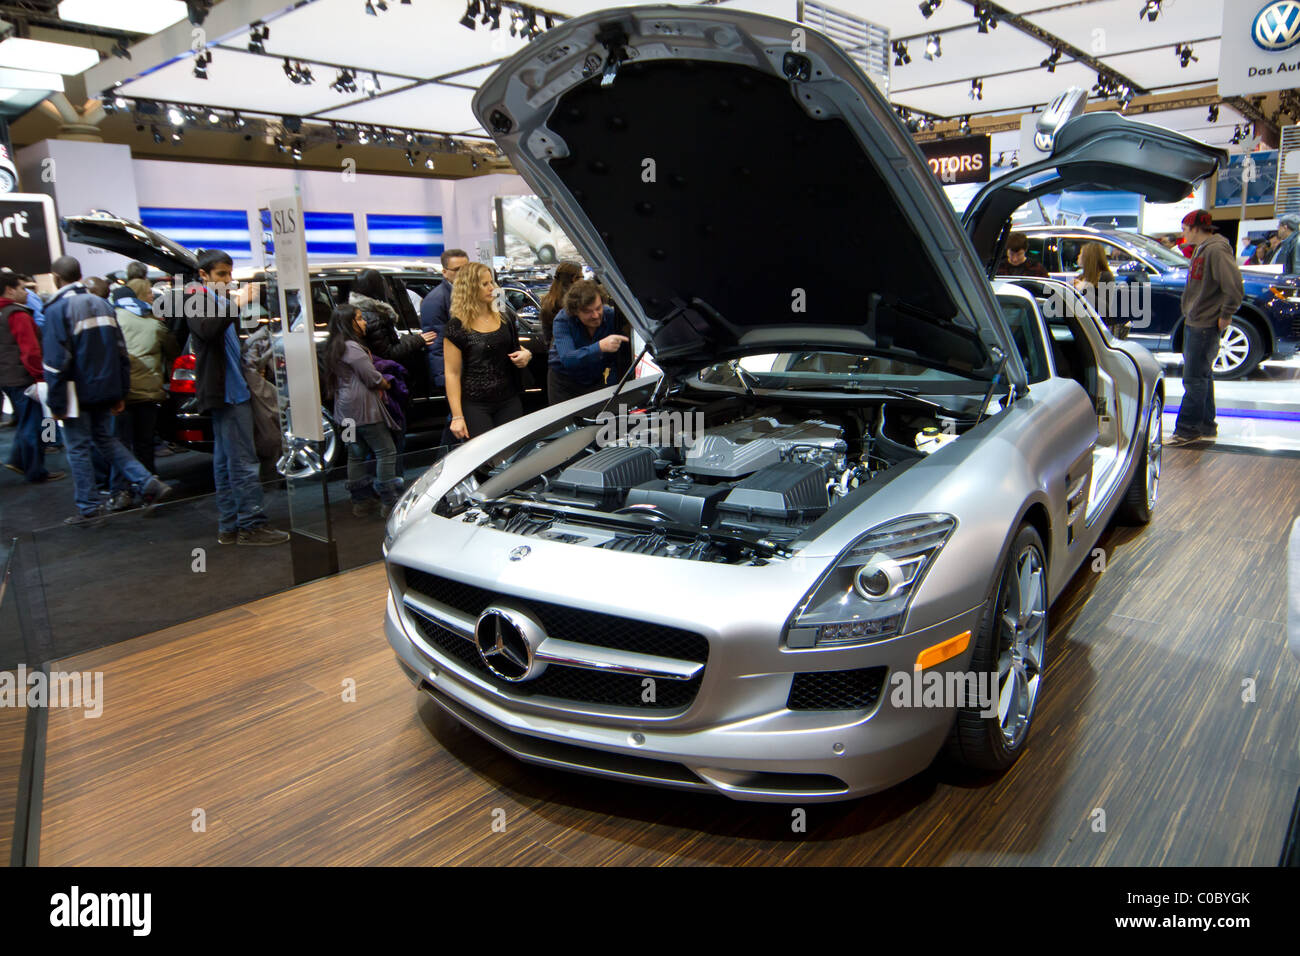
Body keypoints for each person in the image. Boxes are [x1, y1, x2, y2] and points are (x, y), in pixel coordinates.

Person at [41, 256, 171, 525]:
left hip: (75, 392)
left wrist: (56, 403)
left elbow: (56, 362)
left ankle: (89, 508)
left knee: (78, 447)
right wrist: (121, 391)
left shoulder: (57, 309)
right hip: (107, 388)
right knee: (106, 440)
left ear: (56, 277)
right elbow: (121, 351)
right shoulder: (102, 303)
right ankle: (147, 482)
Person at [186, 248, 289, 545]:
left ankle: (232, 523)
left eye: (229, 274)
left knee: (228, 461)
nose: (228, 280)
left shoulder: (212, 299)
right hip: (227, 395)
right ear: (203, 275)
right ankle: (250, 524)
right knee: (242, 462)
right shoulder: (196, 297)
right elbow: (206, 330)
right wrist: (238, 302)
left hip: (231, 391)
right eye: (221, 274)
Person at [1167, 210, 1244, 447]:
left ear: (1195, 228)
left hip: (1204, 322)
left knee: (1194, 379)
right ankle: (1206, 425)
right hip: (1198, 320)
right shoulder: (1205, 249)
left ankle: (1187, 430)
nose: (1183, 234)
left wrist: (1226, 314)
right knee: (1202, 376)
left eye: (1185, 228)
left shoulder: (1216, 250)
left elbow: (1233, 286)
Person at [107, 279, 179, 510]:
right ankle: (151, 492)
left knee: (120, 445)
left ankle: (122, 492)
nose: (151, 296)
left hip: (122, 393)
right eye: (147, 292)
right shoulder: (154, 323)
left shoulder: (113, 318)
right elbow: (173, 352)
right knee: (145, 444)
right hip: (150, 392)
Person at [324, 304, 401, 516]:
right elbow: (372, 377)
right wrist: (386, 384)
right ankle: (389, 501)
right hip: (363, 409)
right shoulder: (352, 348)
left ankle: (361, 501)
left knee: (354, 453)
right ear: (349, 323)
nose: (364, 321)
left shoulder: (333, 346)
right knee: (386, 451)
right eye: (359, 318)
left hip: (344, 412)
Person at [444, 262, 532, 440]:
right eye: (485, 284)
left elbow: (514, 347)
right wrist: (457, 416)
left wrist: (526, 354)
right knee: (487, 458)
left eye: (491, 282)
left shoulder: (503, 315)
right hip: (476, 404)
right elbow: (451, 373)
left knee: (513, 452)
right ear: (469, 288)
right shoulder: (457, 326)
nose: (492, 287)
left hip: (509, 398)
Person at [0, 270, 63, 483]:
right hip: (23, 377)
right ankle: (35, 471)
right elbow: (30, 351)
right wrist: (39, 376)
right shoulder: (17, 315)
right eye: (22, 288)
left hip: (7, 377)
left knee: (28, 420)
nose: (26, 292)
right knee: (34, 423)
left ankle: (18, 460)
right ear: (10, 290)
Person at [547, 279, 629, 405]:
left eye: (598, 308)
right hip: (564, 383)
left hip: (595, 380)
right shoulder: (563, 320)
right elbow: (568, 359)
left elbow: (617, 360)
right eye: (587, 311)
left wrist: (611, 389)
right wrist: (600, 347)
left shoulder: (612, 317)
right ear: (575, 311)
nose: (596, 315)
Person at [349, 269, 435, 373]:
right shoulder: (373, 316)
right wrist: (418, 340)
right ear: (376, 287)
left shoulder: (360, 310)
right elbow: (389, 353)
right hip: (385, 372)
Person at [418, 248, 469, 395]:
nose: (463, 274)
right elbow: (437, 343)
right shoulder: (435, 300)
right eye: (457, 270)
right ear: (445, 272)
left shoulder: (472, 293)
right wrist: (444, 378)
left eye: (466, 269)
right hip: (457, 371)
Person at [1074, 242, 1126, 338]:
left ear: (1088, 257)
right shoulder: (1081, 277)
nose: (1078, 256)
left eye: (1081, 253)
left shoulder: (1105, 276)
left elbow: (1104, 308)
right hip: (1083, 325)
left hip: (1099, 328)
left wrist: (1084, 290)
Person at [539, 261, 582, 349]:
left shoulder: (547, 301)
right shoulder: (575, 304)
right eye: (582, 277)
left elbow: (547, 338)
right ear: (574, 278)